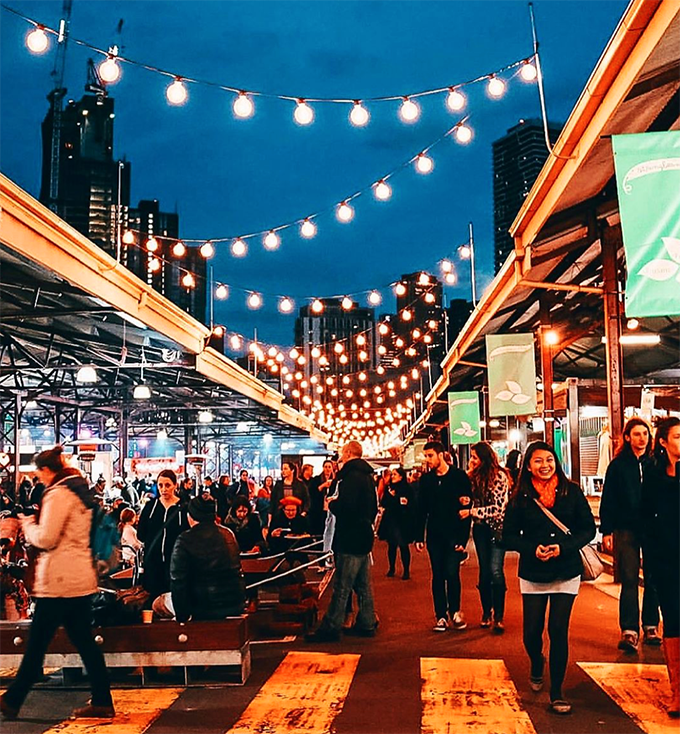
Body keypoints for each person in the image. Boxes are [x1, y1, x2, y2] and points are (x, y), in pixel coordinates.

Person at [0, 446, 114, 721]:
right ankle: (102, 700)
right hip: (78, 578)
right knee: (82, 641)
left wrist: (27, 523)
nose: (39, 480)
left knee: (38, 642)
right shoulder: (79, 492)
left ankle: (13, 700)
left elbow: (46, 538)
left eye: (40, 475)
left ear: (48, 470)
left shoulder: (59, 494)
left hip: (60, 581)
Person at [503, 441, 595, 716]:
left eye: (549, 460)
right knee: (531, 633)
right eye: (538, 461)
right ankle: (535, 661)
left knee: (558, 630)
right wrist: (531, 548)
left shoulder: (572, 492)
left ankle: (557, 692)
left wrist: (563, 548)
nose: (545, 465)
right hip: (533, 572)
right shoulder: (519, 497)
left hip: (566, 570)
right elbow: (507, 536)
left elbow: (588, 529)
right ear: (528, 466)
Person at [306, 440, 379, 641]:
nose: (339, 456)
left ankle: (330, 627)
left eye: (341, 452)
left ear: (348, 453)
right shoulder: (367, 477)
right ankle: (367, 622)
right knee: (363, 585)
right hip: (363, 535)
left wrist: (332, 505)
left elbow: (347, 507)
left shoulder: (350, 478)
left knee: (342, 585)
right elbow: (372, 508)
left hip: (350, 536)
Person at [600, 417, 660, 652]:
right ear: (627, 437)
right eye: (636, 434)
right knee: (629, 578)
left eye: (645, 434)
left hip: (653, 529)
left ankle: (651, 625)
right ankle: (629, 630)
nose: (642, 438)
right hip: (625, 529)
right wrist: (606, 530)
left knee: (654, 579)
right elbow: (609, 499)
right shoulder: (618, 466)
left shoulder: (656, 463)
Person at [153, 493, 245, 622]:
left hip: (201, 606)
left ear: (191, 516)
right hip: (234, 604)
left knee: (158, 603)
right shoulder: (228, 534)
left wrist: (182, 618)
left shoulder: (184, 539)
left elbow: (178, 581)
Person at [641, 417, 680, 718]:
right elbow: (646, 519)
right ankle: (677, 692)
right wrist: (651, 561)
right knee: (674, 622)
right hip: (666, 560)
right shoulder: (652, 475)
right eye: (677, 436)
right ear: (664, 442)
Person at [416, 440, 472, 632]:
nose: (427, 460)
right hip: (434, 534)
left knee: (452, 572)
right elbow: (421, 509)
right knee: (438, 575)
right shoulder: (426, 480)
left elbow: (466, 509)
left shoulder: (459, 477)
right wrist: (418, 537)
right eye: (426, 456)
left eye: (430, 455)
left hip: (454, 533)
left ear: (441, 455)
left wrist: (462, 540)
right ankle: (440, 616)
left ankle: (455, 611)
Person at [461, 441, 510, 633]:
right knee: (484, 572)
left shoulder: (499, 476)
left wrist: (472, 511)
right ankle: (486, 612)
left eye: (474, 457)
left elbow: (498, 509)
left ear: (484, 458)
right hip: (481, 530)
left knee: (495, 570)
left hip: (497, 529)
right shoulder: (471, 478)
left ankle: (499, 615)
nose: (471, 460)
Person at [136, 470, 189, 603]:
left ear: (175, 485)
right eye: (160, 485)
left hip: (177, 563)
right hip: (153, 563)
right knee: (152, 601)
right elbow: (141, 534)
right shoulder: (150, 507)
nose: (164, 489)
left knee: (175, 600)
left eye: (167, 485)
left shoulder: (184, 507)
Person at [378, 467, 416, 580]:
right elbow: (384, 502)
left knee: (403, 545)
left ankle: (406, 570)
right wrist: (390, 496)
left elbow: (410, 504)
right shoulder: (389, 488)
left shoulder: (407, 489)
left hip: (403, 520)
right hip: (391, 520)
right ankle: (391, 568)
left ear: (401, 476)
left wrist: (396, 498)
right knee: (391, 545)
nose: (392, 476)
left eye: (395, 474)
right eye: (392, 474)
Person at [307, 460, 335, 536]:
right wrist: (323, 486)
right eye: (325, 467)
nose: (327, 469)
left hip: (331, 508)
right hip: (318, 508)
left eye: (329, 467)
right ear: (323, 468)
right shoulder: (316, 479)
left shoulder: (336, 480)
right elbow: (311, 492)